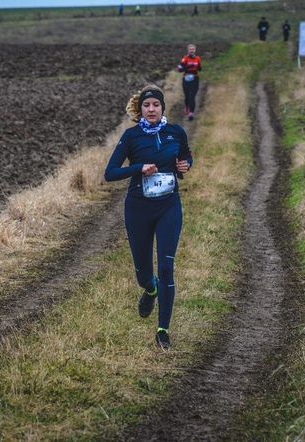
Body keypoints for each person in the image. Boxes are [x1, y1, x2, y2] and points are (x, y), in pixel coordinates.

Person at [104, 85, 193, 349]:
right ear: (140, 109)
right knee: (144, 273)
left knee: (166, 267)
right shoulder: (131, 136)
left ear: (163, 108)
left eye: (156, 105)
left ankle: (163, 330)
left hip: (168, 207)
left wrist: (186, 165)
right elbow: (109, 173)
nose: (151, 109)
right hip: (138, 209)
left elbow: (185, 155)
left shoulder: (175, 132)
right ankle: (150, 289)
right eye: (147, 105)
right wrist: (138, 168)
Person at [177, 43, 202, 121]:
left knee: (192, 96)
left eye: (193, 49)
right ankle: (187, 106)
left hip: (195, 79)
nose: (192, 51)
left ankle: (191, 113)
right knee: (187, 96)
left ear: (195, 50)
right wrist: (185, 67)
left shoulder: (198, 58)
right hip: (186, 79)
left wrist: (198, 68)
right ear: (188, 50)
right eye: (190, 49)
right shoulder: (185, 58)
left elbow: (200, 68)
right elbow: (179, 69)